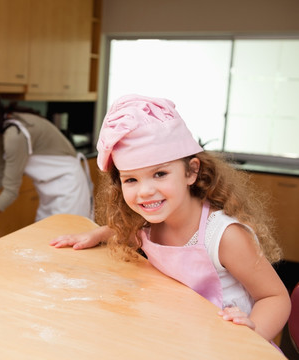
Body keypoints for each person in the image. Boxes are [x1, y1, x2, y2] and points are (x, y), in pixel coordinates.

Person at [50, 94, 291, 343]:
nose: (144, 191)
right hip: (183, 335)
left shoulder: (224, 237)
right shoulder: (147, 224)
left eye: (160, 174)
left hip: (230, 345)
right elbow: (128, 230)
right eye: (131, 179)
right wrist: (98, 233)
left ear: (191, 171)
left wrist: (251, 338)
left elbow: (275, 298)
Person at [0, 81, 93, 233]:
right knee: (45, 240)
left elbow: (10, 191)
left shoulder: (13, 133)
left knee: (65, 241)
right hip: (49, 190)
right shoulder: (1, 129)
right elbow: (0, 176)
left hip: (69, 189)